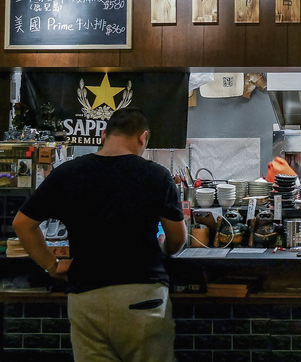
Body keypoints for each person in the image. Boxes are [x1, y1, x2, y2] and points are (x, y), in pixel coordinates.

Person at [13, 107, 187, 362]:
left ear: (103, 135)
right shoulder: (156, 175)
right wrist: (164, 250)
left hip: (86, 298)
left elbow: (22, 224)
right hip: (141, 296)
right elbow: (177, 239)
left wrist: (51, 265)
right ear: (143, 137)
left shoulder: (67, 173)